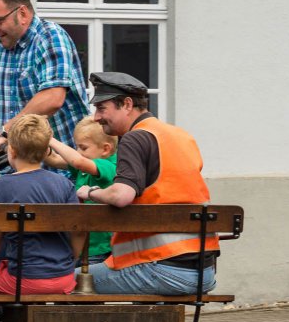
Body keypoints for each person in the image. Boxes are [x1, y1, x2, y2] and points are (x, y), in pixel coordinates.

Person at [76, 72, 219, 296]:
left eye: (101, 108)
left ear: (127, 104)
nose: (96, 117)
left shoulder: (135, 138)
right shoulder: (181, 135)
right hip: (204, 272)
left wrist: (90, 192)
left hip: (161, 268)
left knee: (66, 282)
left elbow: (121, 196)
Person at [0, 0, 89, 161]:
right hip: (15, 164)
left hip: (64, 167)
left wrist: (6, 132)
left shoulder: (51, 37)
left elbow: (53, 98)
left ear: (22, 13)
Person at [0, 115, 81, 295]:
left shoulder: (4, 184)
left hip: (23, 279)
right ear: (45, 153)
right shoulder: (64, 183)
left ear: (11, 150)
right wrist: (71, 259)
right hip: (64, 278)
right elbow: (79, 230)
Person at [45, 116, 118, 265]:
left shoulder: (110, 166)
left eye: (83, 147)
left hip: (98, 250)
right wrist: (38, 139)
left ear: (105, 149)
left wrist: (51, 140)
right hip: (79, 244)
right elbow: (53, 159)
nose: (78, 152)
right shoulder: (86, 165)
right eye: (76, 147)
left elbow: (78, 162)